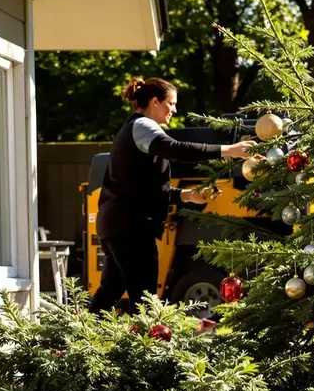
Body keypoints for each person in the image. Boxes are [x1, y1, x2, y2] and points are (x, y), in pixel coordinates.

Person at [88, 76, 255, 314]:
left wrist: (188, 196)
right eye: (171, 103)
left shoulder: (136, 129)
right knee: (145, 298)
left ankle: (80, 334)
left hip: (118, 225)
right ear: (155, 102)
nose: (175, 110)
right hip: (131, 228)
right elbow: (178, 150)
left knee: (112, 289)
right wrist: (230, 150)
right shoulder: (142, 126)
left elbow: (145, 190)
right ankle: (146, 337)